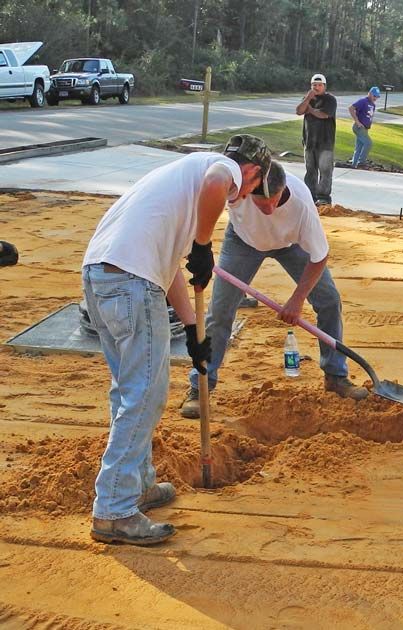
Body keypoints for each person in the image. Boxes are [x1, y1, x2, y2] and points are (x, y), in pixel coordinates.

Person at [82, 134, 270, 546]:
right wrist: (204, 246)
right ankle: (113, 510)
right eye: (254, 187)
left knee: (129, 390)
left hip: (103, 275)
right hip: (130, 282)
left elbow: (168, 269)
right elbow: (219, 183)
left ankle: (139, 485)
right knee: (145, 395)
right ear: (253, 172)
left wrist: (191, 331)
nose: (245, 195)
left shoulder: (179, 186)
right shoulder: (219, 170)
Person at [180, 161, 368, 419]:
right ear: (250, 190)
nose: (267, 208)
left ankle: (336, 376)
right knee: (220, 312)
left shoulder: (301, 204)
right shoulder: (238, 188)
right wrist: (199, 246)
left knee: (329, 301)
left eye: (274, 200)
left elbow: (319, 256)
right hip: (243, 241)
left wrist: (297, 299)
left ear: (284, 188)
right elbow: (202, 205)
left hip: (291, 244)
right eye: (260, 202)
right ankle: (200, 387)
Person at [296, 73, 337, 206]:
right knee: (310, 171)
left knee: (325, 171)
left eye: (319, 85)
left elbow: (324, 115)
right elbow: (299, 110)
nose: (316, 87)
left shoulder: (330, 100)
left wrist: (311, 110)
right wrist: (308, 99)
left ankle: (324, 198)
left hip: (325, 142)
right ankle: (310, 196)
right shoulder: (307, 98)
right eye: (314, 85)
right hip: (309, 142)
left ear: (324, 86)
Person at [349, 87, 380, 168]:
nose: (375, 98)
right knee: (368, 143)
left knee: (359, 147)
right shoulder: (363, 101)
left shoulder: (373, 104)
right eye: (374, 96)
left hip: (365, 129)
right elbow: (351, 108)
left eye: (377, 97)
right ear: (369, 93)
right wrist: (357, 122)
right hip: (359, 127)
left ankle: (354, 165)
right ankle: (361, 162)